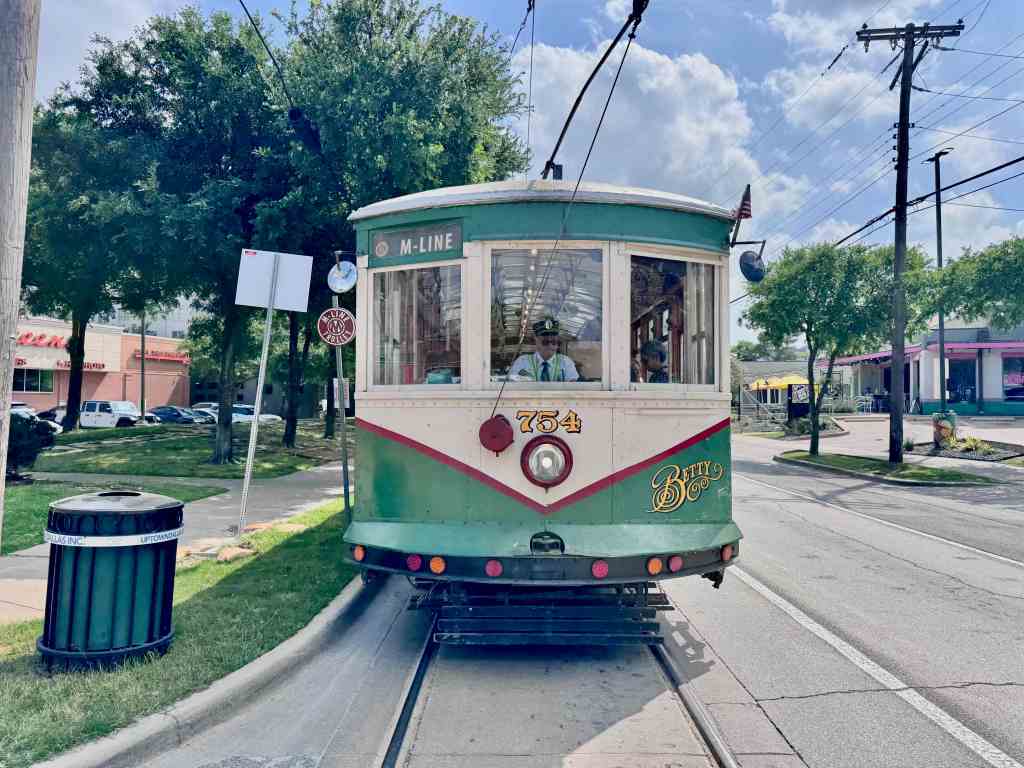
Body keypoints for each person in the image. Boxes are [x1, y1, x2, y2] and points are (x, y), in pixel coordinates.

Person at [508, 317, 579, 382]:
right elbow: (512, 384)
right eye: (545, 341)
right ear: (536, 340)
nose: (550, 345)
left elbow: (573, 387)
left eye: (554, 341)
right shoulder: (522, 362)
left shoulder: (566, 362)